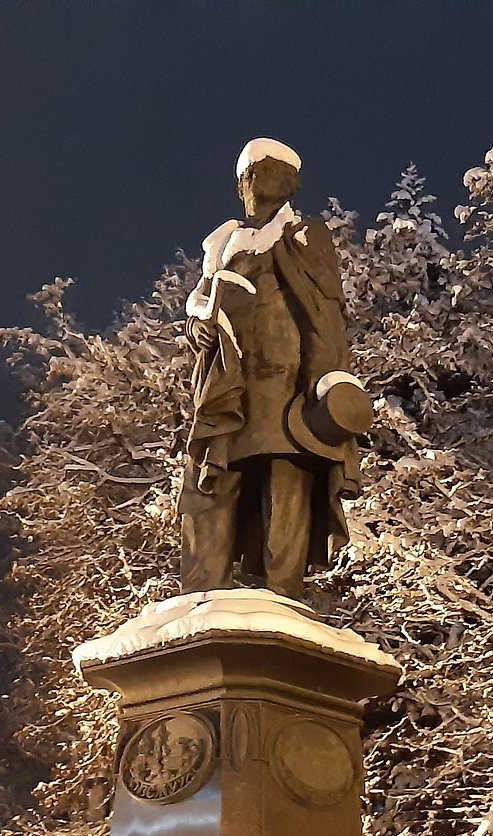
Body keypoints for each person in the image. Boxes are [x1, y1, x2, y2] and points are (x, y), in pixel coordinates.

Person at [179, 138, 372, 600]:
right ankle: (201, 595)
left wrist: (324, 386)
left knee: (285, 484)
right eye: (245, 175)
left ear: (287, 181)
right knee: (210, 485)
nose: (248, 183)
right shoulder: (225, 243)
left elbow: (326, 311)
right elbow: (204, 307)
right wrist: (199, 330)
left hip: (288, 387)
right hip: (229, 385)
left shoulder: (304, 235)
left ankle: (280, 594)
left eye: (258, 171)